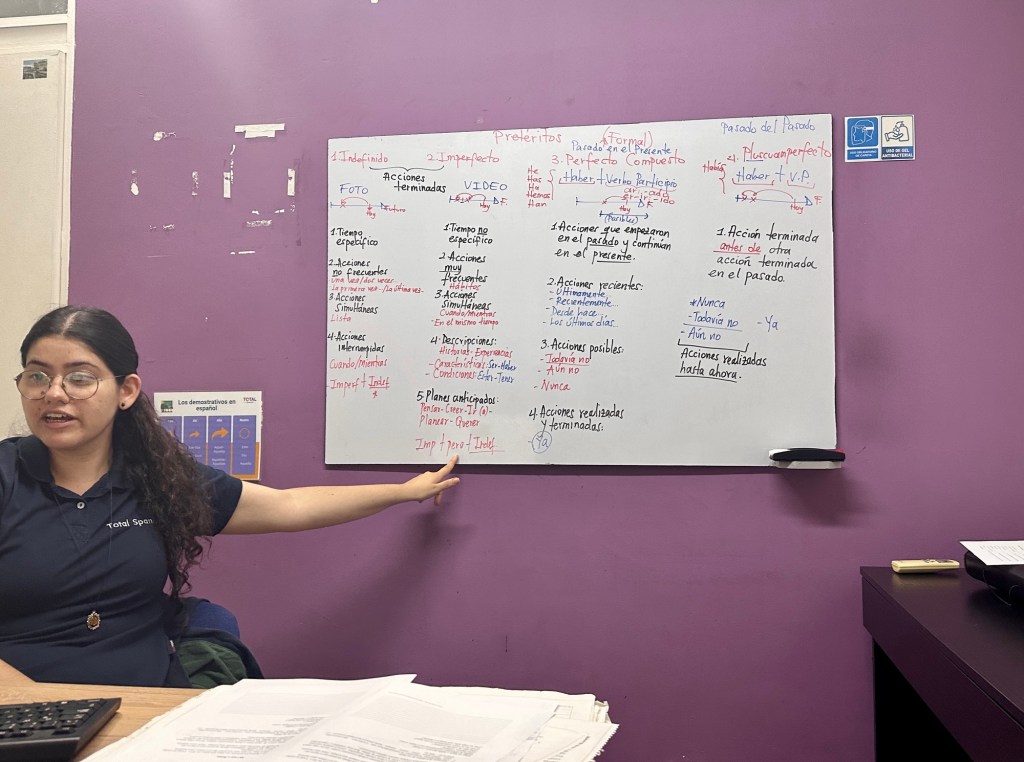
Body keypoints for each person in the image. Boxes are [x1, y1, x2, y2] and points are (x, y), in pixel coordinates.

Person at [0, 305, 459, 687]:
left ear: (126, 391)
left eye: (79, 378)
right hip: (21, 715)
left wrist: (404, 492)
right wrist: (31, 703)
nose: (53, 394)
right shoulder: (7, 475)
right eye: (37, 376)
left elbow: (289, 506)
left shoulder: (158, 479)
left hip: (149, 707)